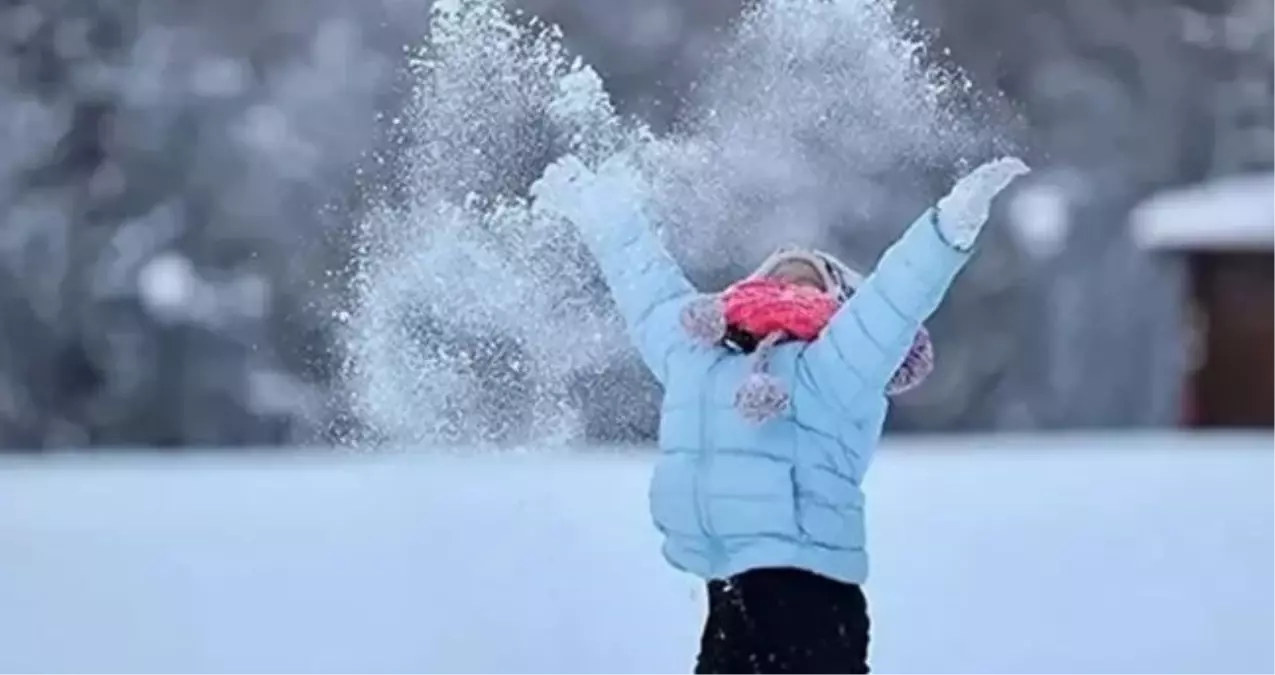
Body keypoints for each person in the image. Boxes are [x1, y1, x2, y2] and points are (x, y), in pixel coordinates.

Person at [532, 152, 1030, 674]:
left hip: (811, 595)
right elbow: (648, 288)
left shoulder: (837, 365)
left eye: (810, 282)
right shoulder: (697, 356)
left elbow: (895, 298)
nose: (792, 287)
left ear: (840, 305)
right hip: (728, 592)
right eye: (779, 278)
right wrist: (604, 212)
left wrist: (949, 226)